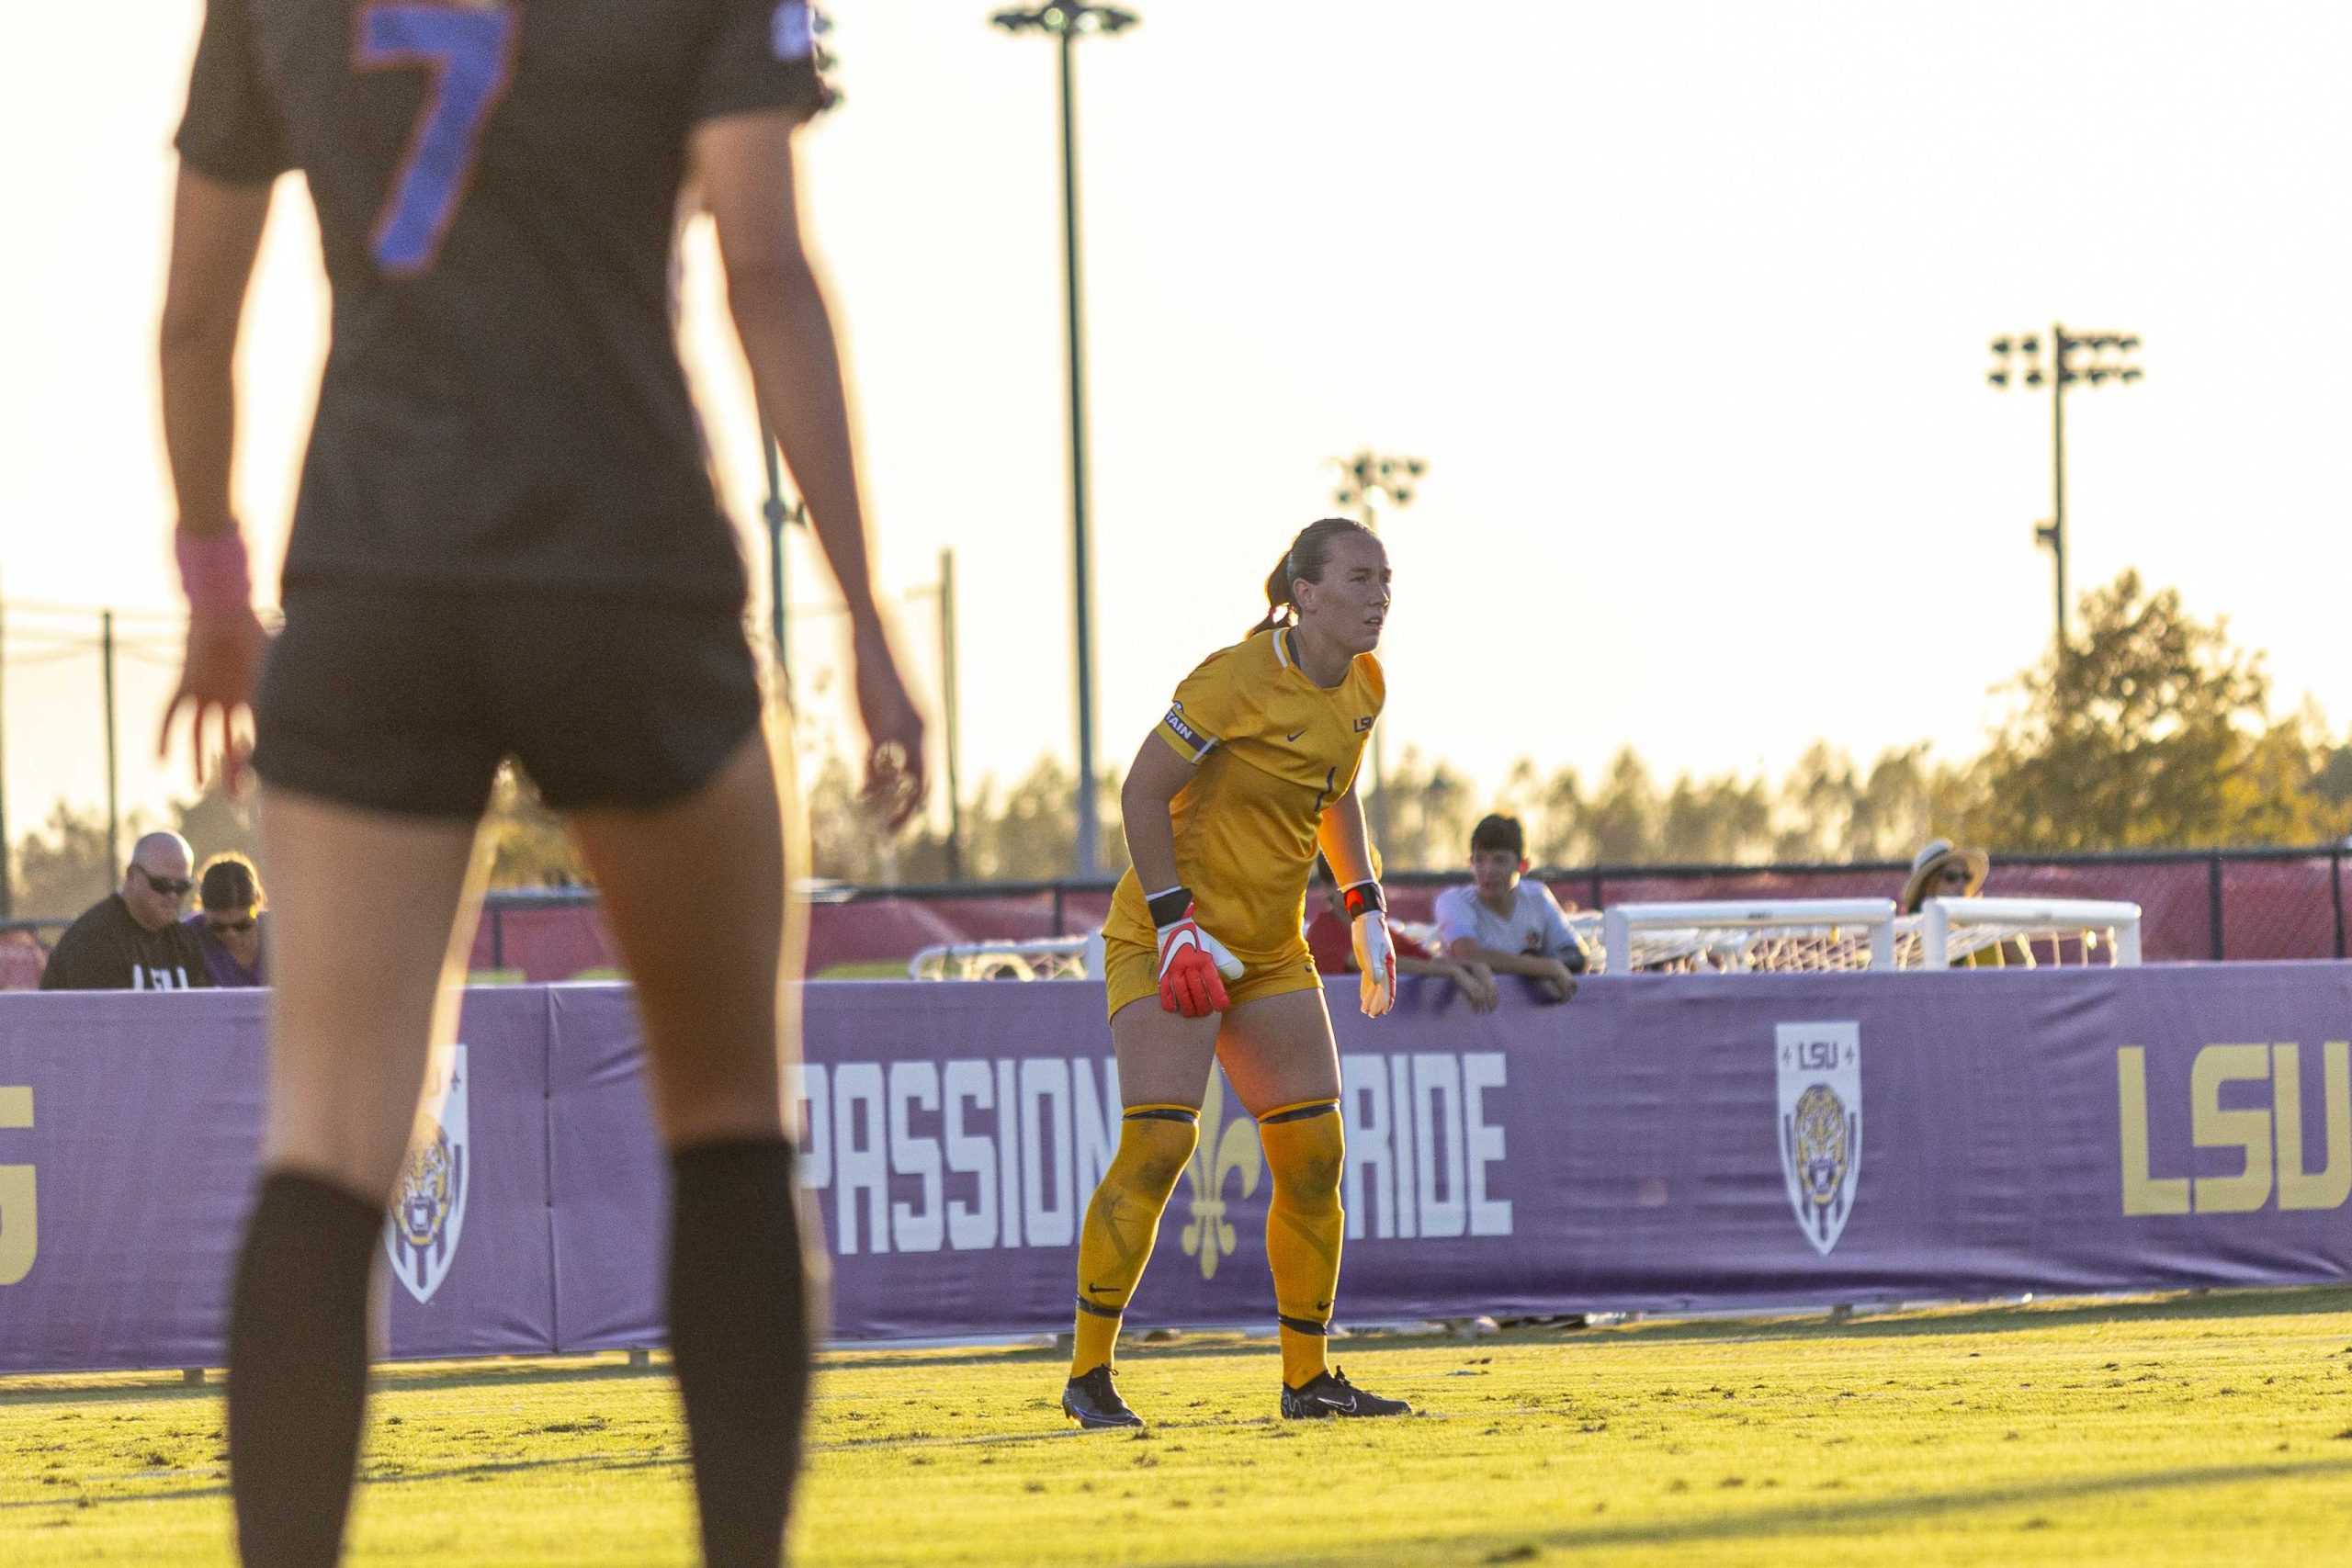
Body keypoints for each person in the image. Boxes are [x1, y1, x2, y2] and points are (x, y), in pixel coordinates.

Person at [160, 5, 924, 1565]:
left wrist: (219, 590)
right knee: (729, 1124)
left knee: (329, 1139)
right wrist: (865, 615)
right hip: (628, 565)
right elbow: (764, 268)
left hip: (375, 575)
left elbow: (192, 317)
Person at [1063, 516, 1413, 1431]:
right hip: (1167, 936)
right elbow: (1141, 791)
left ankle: (1308, 1381)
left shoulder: (1365, 686)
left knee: (1315, 1155)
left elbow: (1334, 793)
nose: (1378, 595)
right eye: (1358, 578)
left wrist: (1364, 901)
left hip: (1267, 952)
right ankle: (1088, 1375)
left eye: (1386, 578)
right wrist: (1175, 923)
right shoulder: (1231, 680)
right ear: (1304, 594)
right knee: (1160, 1144)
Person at [1306, 859, 1497, 1013]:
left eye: (1370, 882)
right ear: (1328, 888)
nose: (1362, 892)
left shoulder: (1381, 933)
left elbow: (1426, 961)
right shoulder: (1322, 931)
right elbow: (1374, 964)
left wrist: (1471, 966)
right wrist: (1453, 972)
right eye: (1349, 882)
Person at [1433, 814, 1587, 1001]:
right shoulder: (1453, 901)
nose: (1488, 870)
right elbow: (1469, 955)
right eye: (1479, 860)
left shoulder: (1537, 896)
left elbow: (1576, 956)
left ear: (1522, 866)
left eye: (1499, 860)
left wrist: (1534, 966)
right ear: (1470, 863)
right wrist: (1542, 968)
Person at [38, 831, 213, 992]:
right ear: (132, 876)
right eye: (162, 884)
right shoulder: (93, 939)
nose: (173, 895)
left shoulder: (183, 942)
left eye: (182, 886)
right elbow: (105, 1022)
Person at [1898, 838, 2029, 967]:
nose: (1962, 884)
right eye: (1951, 877)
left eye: (1966, 877)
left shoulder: (1981, 922)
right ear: (1928, 886)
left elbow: (2028, 968)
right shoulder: (1914, 931)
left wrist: (1994, 920)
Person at [189, 852, 267, 988]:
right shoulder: (188, 938)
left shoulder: (282, 934)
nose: (231, 934)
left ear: (258, 903)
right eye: (218, 927)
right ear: (202, 908)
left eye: (243, 925)